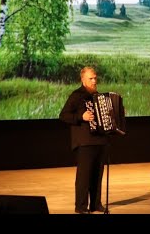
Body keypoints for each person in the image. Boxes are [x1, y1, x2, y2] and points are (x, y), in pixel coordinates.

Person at [59, 66, 107, 214]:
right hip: (84, 142)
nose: (94, 81)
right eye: (90, 79)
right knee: (84, 177)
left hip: (99, 141)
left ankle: (95, 204)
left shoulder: (99, 96)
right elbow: (63, 115)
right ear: (83, 80)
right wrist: (81, 117)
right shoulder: (76, 95)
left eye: (95, 78)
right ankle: (80, 207)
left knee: (97, 175)